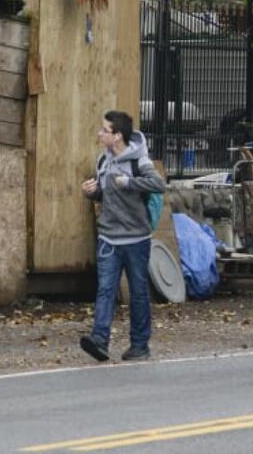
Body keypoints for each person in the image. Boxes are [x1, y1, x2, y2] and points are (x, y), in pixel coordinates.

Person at [79, 110, 165, 362]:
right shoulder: (103, 161)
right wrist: (92, 192)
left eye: (104, 130)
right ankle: (99, 340)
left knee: (138, 292)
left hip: (136, 239)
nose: (100, 133)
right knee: (105, 290)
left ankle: (140, 345)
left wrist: (129, 182)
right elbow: (105, 194)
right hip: (108, 237)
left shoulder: (140, 161)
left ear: (117, 136)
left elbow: (158, 184)